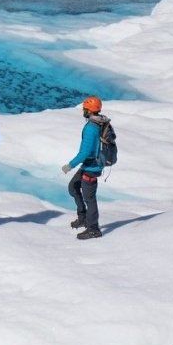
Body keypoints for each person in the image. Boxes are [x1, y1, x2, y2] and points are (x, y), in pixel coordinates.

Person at [62, 96, 106, 239]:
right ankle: (83, 218)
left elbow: (85, 152)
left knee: (90, 198)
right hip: (90, 165)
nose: (83, 111)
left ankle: (93, 229)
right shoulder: (99, 123)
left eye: (84, 109)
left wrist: (70, 165)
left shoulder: (91, 128)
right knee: (73, 187)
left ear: (89, 110)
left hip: (91, 168)